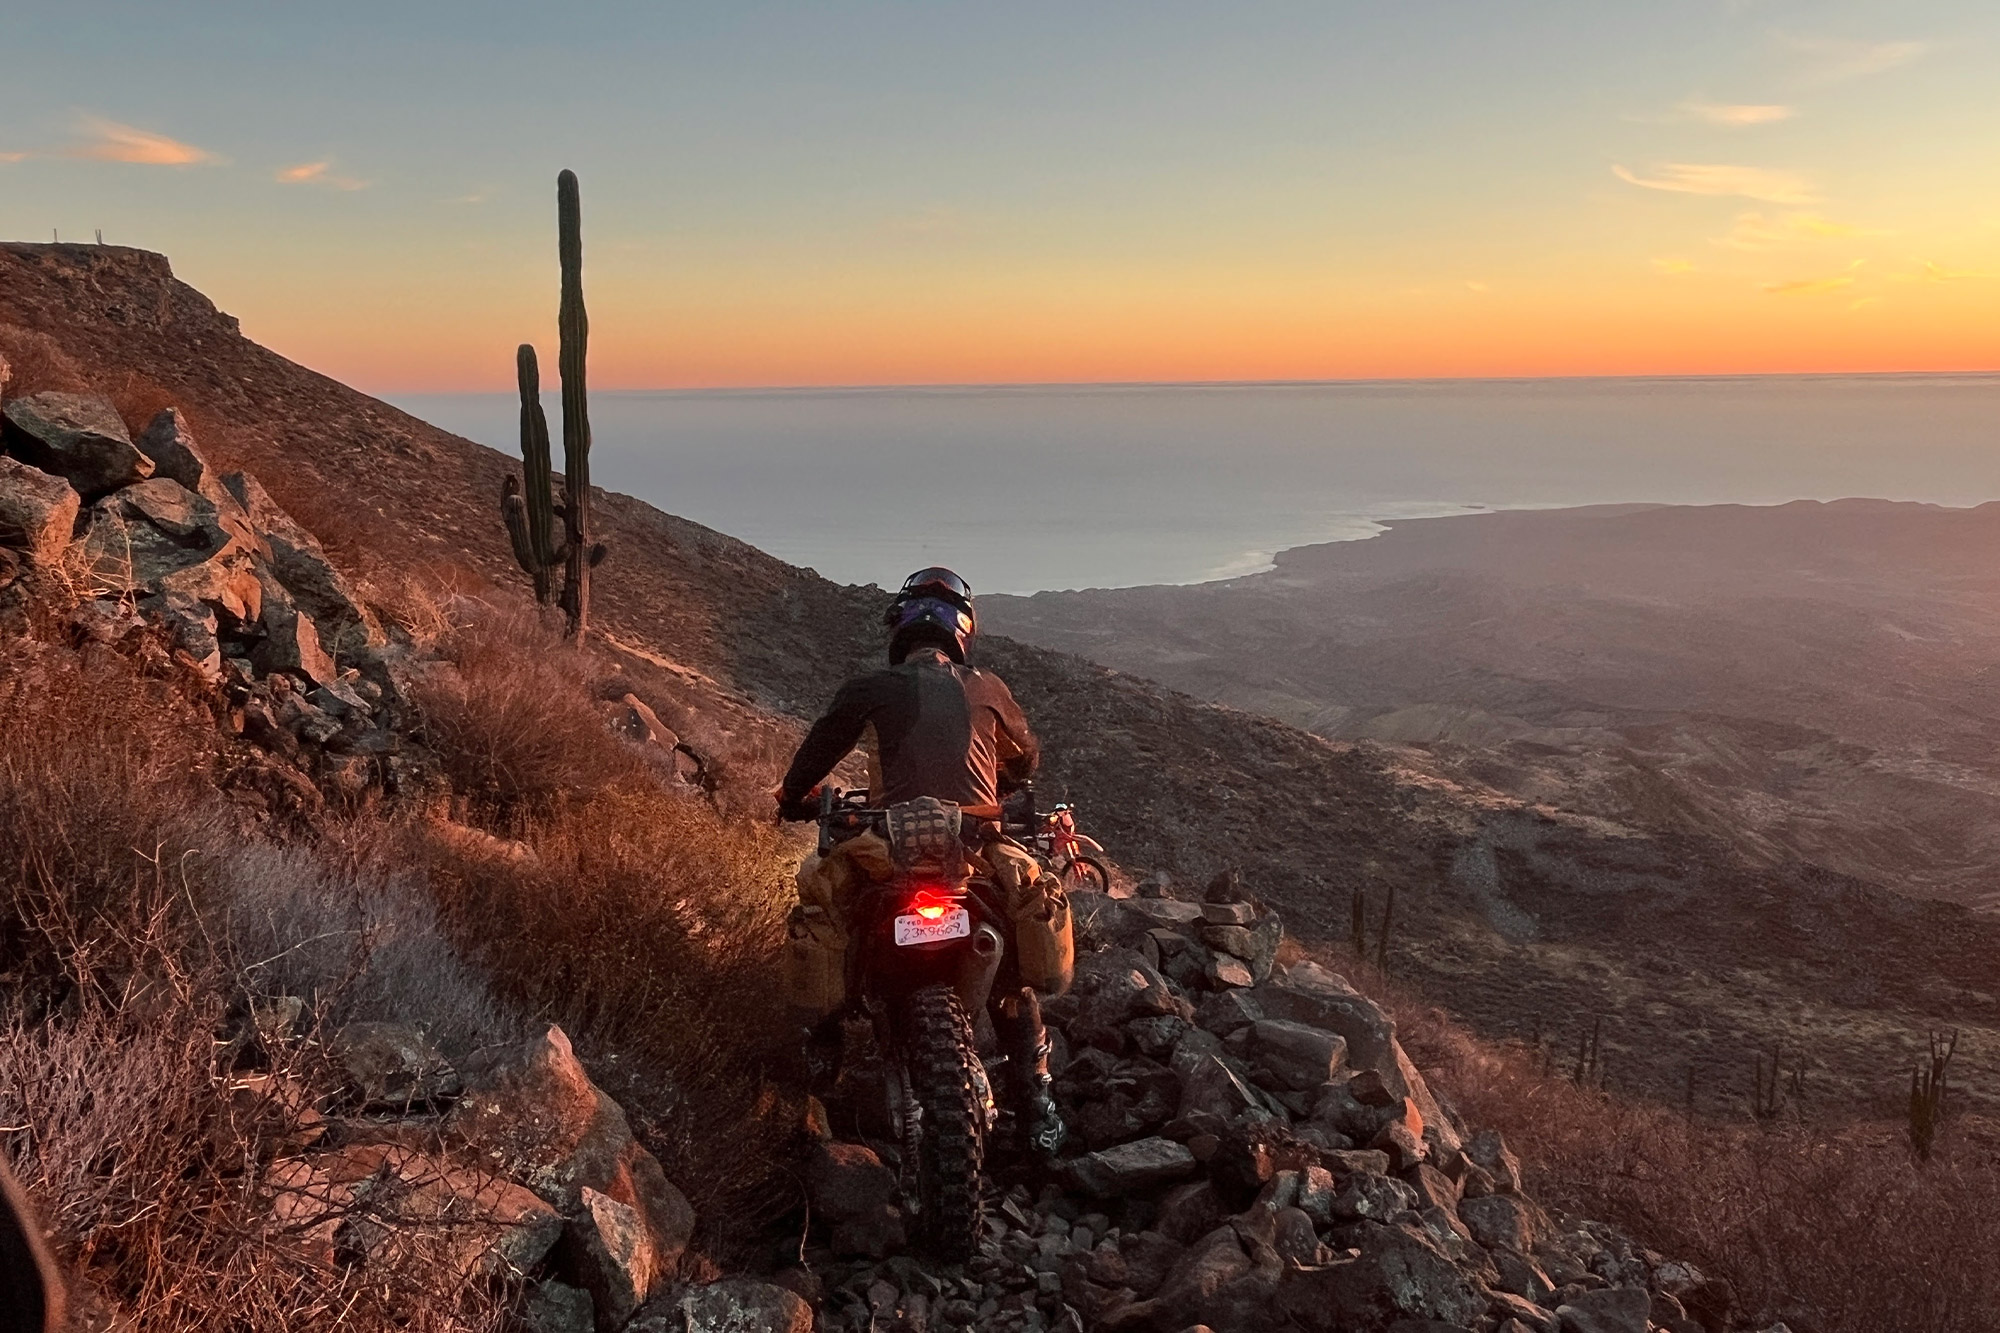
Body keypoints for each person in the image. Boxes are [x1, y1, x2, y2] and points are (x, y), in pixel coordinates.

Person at [777, 567, 1069, 1155]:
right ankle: (1037, 1097)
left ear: (900, 630)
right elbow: (1026, 762)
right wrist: (999, 790)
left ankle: (824, 1039)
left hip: (889, 847)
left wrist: (796, 801)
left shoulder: (870, 687)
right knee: (1013, 972)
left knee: (832, 906)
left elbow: (807, 769)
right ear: (963, 633)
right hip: (972, 847)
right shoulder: (988, 688)